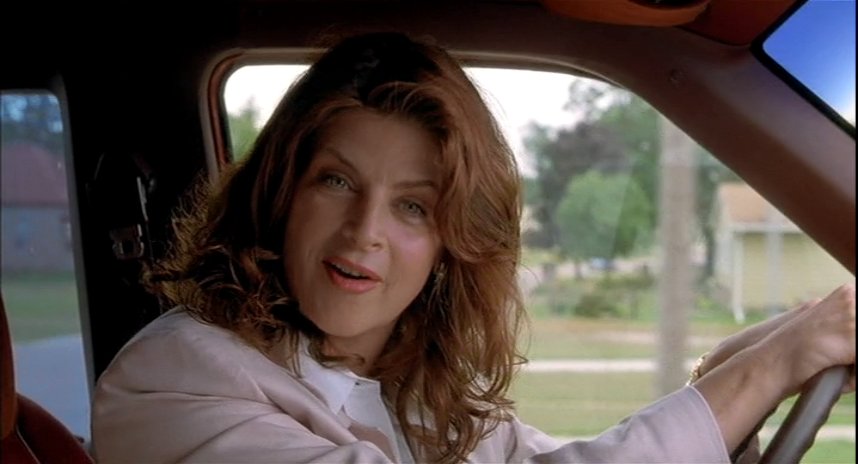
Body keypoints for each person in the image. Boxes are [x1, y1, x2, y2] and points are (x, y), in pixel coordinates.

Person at [91, 32, 856, 463]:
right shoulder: (176, 381)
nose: (364, 231)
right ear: (280, 194)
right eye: (336, 181)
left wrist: (721, 377)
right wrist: (766, 369)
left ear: (450, 244)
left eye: (413, 206)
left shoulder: (409, 385)